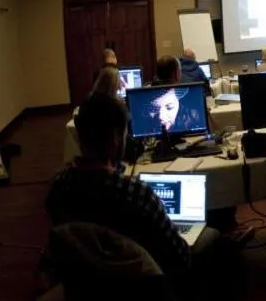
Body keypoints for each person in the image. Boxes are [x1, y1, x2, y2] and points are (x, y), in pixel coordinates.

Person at [47, 93, 208, 287]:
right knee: (213, 238)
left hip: (85, 289)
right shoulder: (137, 194)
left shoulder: (58, 184)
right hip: (145, 291)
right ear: (116, 137)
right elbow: (180, 258)